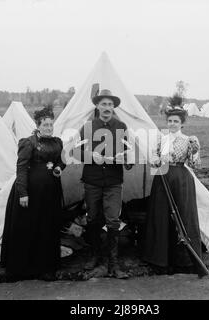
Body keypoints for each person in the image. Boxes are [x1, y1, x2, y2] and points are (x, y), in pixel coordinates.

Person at [0, 107, 66, 281]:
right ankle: (20, 269)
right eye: (45, 125)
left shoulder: (57, 142)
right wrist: (22, 193)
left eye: (51, 124)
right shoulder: (29, 143)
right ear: (38, 125)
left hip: (50, 193)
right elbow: (21, 168)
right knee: (27, 228)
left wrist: (59, 167)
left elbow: (61, 160)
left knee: (47, 228)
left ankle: (45, 268)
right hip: (30, 193)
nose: (49, 128)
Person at [143, 94, 203, 275]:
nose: (172, 124)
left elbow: (194, 165)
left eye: (176, 121)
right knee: (161, 215)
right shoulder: (162, 138)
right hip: (162, 178)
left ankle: (183, 261)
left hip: (181, 179)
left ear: (182, 123)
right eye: (170, 121)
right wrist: (155, 160)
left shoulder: (189, 140)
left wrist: (194, 152)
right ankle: (160, 260)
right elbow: (153, 158)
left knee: (183, 216)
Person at [76, 89, 132, 279]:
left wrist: (124, 158)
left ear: (114, 107)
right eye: (104, 104)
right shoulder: (88, 127)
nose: (107, 108)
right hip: (92, 180)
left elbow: (129, 157)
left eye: (110, 105)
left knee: (113, 220)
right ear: (97, 106)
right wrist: (91, 155)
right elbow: (76, 152)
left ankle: (114, 263)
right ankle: (94, 256)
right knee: (93, 218)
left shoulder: (121, 126)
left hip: (113, 181)